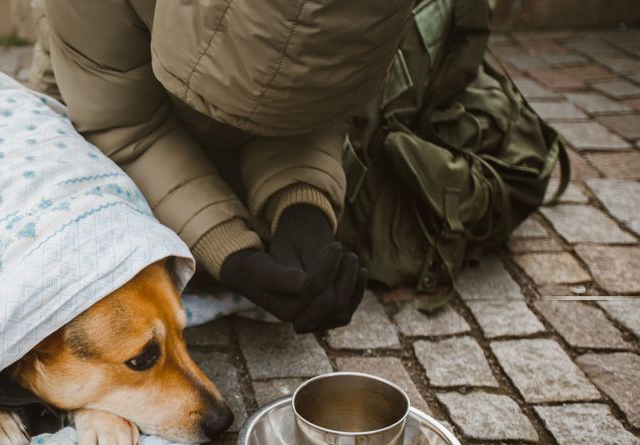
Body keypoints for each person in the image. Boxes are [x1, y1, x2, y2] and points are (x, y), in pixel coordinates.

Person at [29, 0, 412, 332]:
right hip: (101, 88)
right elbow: (126, 128)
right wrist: (229, 251)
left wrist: (302, 213)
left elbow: (307, 112)